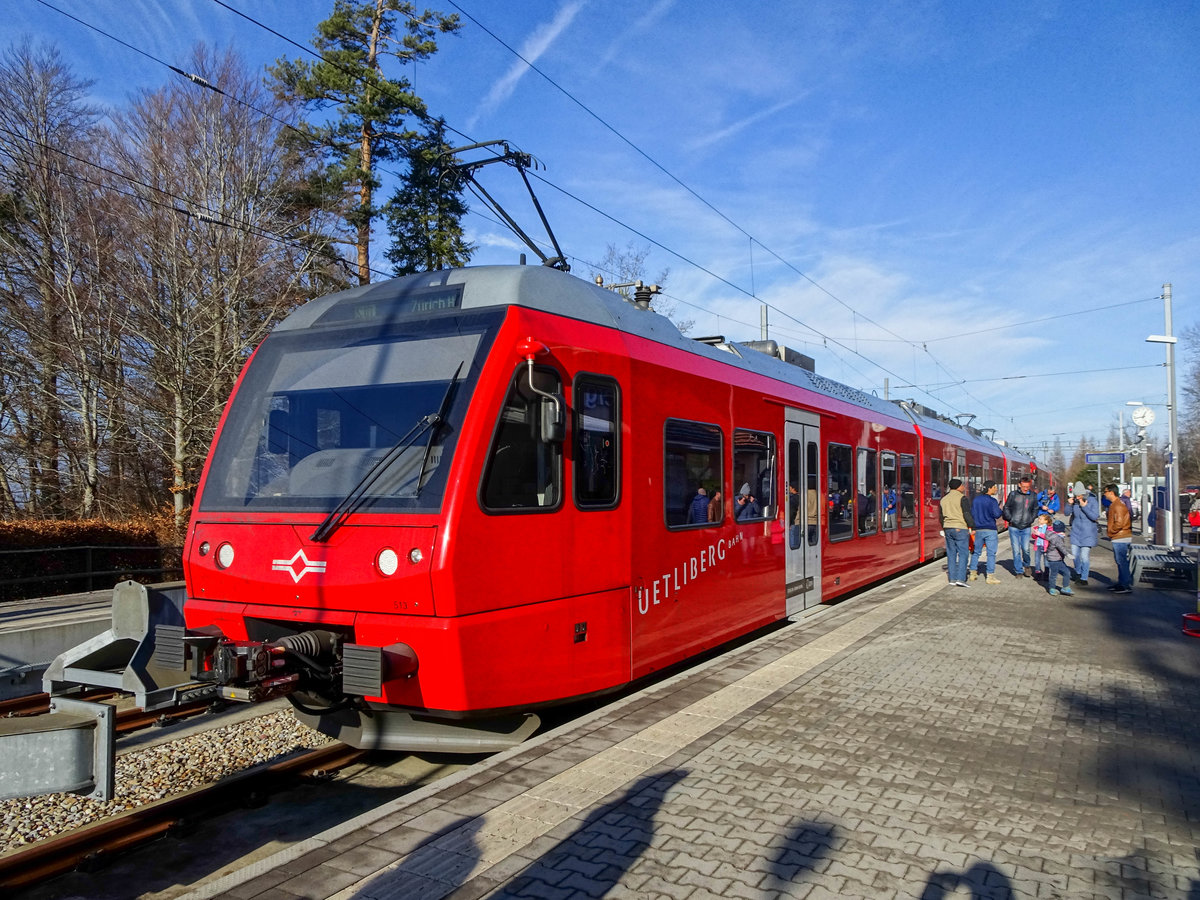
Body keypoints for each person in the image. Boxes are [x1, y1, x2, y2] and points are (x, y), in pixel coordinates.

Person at [939, 477, 975, 586]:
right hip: (960, 528)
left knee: (951, 554)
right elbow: (966, 514)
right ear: (959, 487)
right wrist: (972, 527)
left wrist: (944, 527)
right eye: (962, 485)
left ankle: (952, 579)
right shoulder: (962, 498)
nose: (964, 487)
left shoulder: (943, 499)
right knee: (963, 554)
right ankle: (961, 579)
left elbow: (941, 516)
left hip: (948, 528)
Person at [1002, 475, 1039, 576]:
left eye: (1027, 487)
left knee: (1026, 549)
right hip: (1014, 526)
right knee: (1016, 549)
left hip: (1026, 526)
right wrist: (1011, 519)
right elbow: (1006, 507)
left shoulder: (1033, 496)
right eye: (1024, 487)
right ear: (1019, 485)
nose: (1026, 489)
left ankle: (1027, 565)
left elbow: (1035, 509)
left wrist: (1031, 519)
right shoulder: (1013, 495)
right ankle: (1019, 570)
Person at [967, 480, 1003, 583]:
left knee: (976, 552)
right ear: (989, 488)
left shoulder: (976, 500)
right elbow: (996, 515)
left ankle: (972, 573)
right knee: (991, 554)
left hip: (978, 529)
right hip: (990, 529)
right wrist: (1000, 510)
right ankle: (990, 577)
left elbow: (972, 514)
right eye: (994, 487)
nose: (996, 489)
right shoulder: (992, 501)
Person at [1067, 480, 1099, 585]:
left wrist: (1084, 506)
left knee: (1084, 556)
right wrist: (1069, 504)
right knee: (1075, 555)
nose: (1077, 498)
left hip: (1088, 533)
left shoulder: (1092, 500)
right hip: (1076, 532)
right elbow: (1067, 513)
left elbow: (1095, 516)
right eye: (1076, 496)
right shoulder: (1075, 501)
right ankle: (1078, 572)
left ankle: (1084, 577)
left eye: (1079, 496)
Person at [1104, 484, 1133, 593]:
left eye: (1105, 491)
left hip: (1120, 536)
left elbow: (1119, 523)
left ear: (1111, 492)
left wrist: (1111, 532)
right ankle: (1121, 583)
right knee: (1120, 561)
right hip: (1120, 536)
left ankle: (1125, 584)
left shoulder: (1117, 505)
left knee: (1121, 561)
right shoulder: (1115, 504)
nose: (1104, 494)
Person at [1045, 520, 1074, 596]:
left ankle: (1065, 587)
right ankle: (1052, 588)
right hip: (1054, 559)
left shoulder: (1052, 535)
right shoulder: (1057, 538)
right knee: (1054, 574)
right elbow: (1061, 548)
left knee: (1066, 572)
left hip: (1057, 558)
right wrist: (1068, 554)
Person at [1031, 513, 1053, 581]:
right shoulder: (1037, 527)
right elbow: (1034, 537)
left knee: (1046, 561)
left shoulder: (1049, 528)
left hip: (1045, 547)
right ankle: (1038, 573)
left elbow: (1048, 537)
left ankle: (1046, 574)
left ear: (1046, 521)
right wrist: (1034, 534)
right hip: (1038, 546)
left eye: (1040, 519)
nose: (1039, 520)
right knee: (1037, 560)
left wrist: (1039, 534)